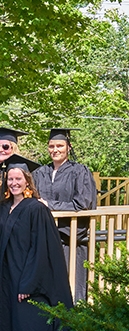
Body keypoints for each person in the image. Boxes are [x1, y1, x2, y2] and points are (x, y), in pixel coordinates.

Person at [0, 155, 73, 331]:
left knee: (23, 327)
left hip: (24, 276)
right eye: (10, 178)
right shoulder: (3, 208)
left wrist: (29, 283)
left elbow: (41, 250)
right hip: (3, 276)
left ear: (28, 181)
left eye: (19, 178)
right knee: (6, 326)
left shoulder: (36, 209)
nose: (14, 182)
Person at [33, 128, 98, 302]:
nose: (55, 149)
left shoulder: (80, 171)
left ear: (68, 147)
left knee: (72, 286)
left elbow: (83, 203)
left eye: (60, 145)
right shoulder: (40, 173)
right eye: (51, 146)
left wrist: (49, 205)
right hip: (45, 237)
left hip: (71, 238)